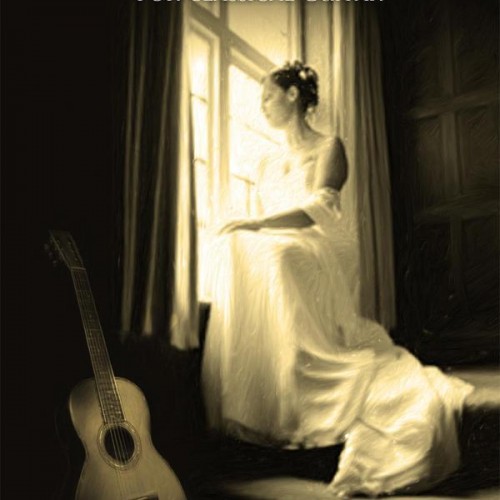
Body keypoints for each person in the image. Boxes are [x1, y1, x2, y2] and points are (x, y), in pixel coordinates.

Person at [201, 61, 475, 497]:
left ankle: (317, 365)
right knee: (240, 248)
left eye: (268, 96)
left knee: (275, 252)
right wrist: (248, 227)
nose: (263, 105)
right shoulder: (267, 161)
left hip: (316, 242)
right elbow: (260, 221)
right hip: (279, 242)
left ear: (293, 96)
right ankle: (273, 390)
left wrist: (256, 224)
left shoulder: (329, 146)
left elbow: (320, 209)